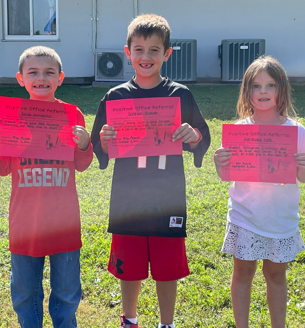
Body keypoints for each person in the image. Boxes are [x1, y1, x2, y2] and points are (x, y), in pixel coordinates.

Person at [90, 14, 211, 328]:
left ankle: (166, 323)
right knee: (129, 266)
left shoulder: (180, 95)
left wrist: (193, 137)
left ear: (167, 53)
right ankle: (129, 319)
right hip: (128, 197)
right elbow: (98, 146)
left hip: (167, 196)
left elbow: (201, 135)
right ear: (127, 52)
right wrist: (104, 142)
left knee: (167, 267)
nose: (146, 57)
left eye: (154, 50)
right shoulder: (114, 97)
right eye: (139, 49)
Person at [0, 46, 93, 328]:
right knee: (24, 291)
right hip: (26, 222)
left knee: (67, 291)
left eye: (49, 72)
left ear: (60, 78)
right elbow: (3, 167)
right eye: (33, 72)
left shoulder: (72, 114)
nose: (41, 78)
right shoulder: (12, 115)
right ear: (20, 78)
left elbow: (81, 164)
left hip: (64, 222)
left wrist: (84, 144)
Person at [213, 56, 305, 328]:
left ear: (281, 90)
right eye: (256, 86)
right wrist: (219, 164)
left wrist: (304, 167)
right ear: (246, 91)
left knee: (276, 275)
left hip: (280, 219)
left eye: (270, 86)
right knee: (243, 273)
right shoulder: (238, 131)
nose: (262, 92)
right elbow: (227, 176)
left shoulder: (296, 130)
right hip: (245, 216)